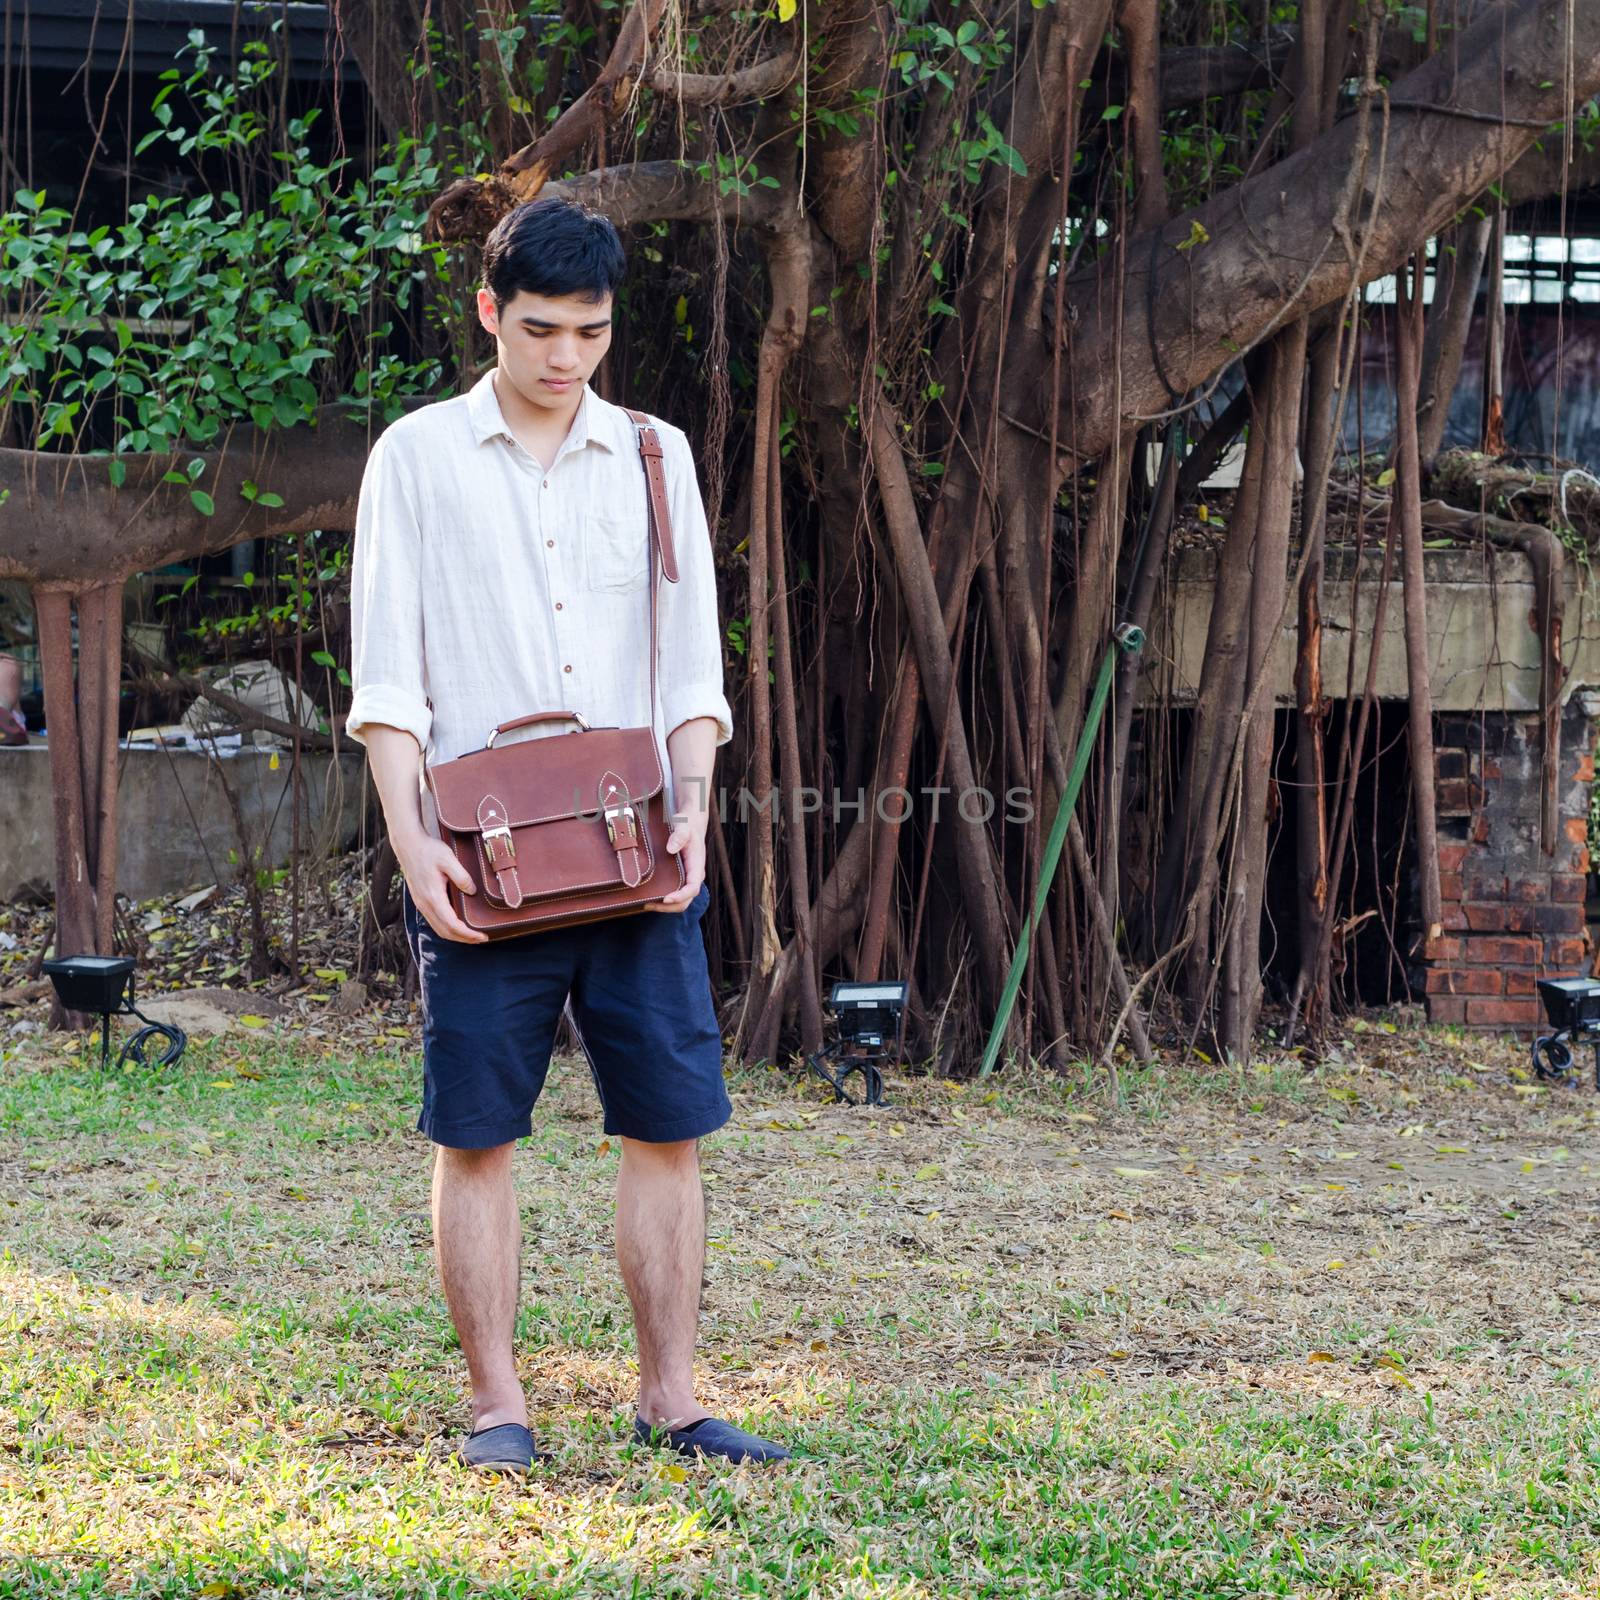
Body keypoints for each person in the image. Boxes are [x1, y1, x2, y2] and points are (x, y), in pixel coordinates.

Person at [345, 197, 788, 1475]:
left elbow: (691, 668)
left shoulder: (656, 454)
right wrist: (410, 841)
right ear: (490, 312)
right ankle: (499, 1407)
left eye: (589, 332)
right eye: (539, 330)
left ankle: (672, 1397)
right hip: (479, 863)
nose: (564, 358)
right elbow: (389, 681)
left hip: (643, 850)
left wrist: (695, 815)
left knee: (667, 1124)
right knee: (475, 1131)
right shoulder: (415, 457)